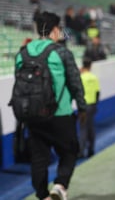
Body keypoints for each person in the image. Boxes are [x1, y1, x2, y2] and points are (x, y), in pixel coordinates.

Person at [14, 11, 87, 200]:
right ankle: (60, 185)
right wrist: (82, 107)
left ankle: (42, 195)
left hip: (32, 114)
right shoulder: (61, 52)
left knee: (39, 158)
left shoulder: (23, 53)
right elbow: (75, 83)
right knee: (70, 151)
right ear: (55, 30)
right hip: (60, 113)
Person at [78, 58, 100, 158]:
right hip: (92, 105)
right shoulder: (94, 77)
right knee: (91, 127)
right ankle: (91, 149)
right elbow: (97, 92)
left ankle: (81, 151)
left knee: (83, 128)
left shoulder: (81, 78)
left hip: (83, 106)